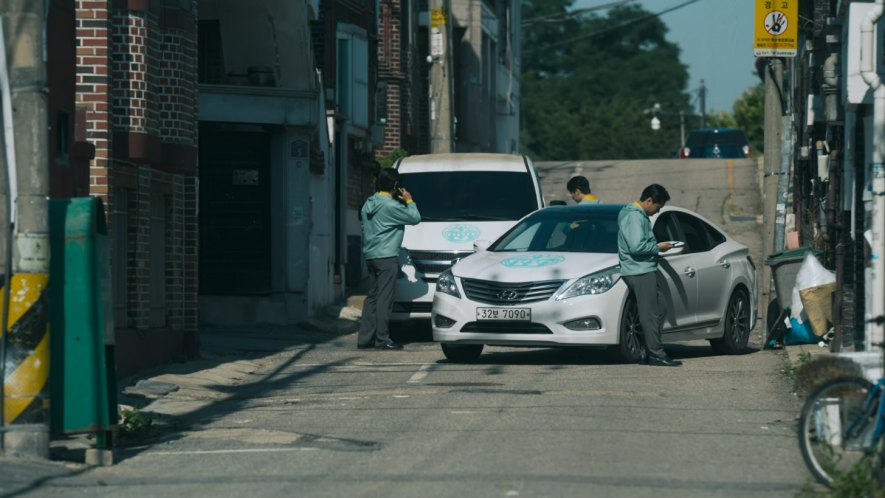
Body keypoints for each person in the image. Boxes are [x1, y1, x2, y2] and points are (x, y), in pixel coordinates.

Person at [617, 184, 681, 367]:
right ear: (649, 201)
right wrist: (658, 247)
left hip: (644, 269)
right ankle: (656, 354)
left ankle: (646, 349)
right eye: (657, 207)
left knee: (660, 307)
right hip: (639, 270)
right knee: (650, 314)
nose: (656, 212)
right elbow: (636, 247)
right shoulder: (635, 217)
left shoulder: (636, 215)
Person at [357, 168, 421, 350]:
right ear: (395, 185)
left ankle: (364, 338)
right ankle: (382, 339)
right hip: (387, 257)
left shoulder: (369, 203)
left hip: (370, 255)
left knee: (372, 297)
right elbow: (415, 218)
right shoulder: (391, 206)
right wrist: (409, 200)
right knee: (385, 298)